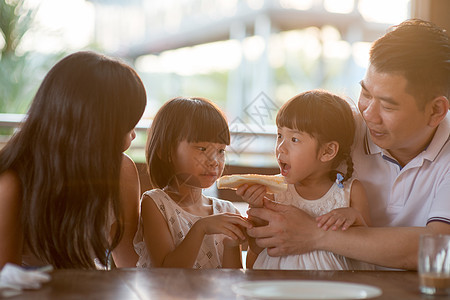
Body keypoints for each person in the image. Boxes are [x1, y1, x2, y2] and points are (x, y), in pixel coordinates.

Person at [244, 19, 450, 270]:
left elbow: (440, 247)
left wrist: (316, 235)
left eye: (387, 106)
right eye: (366, 94)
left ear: (436, 110)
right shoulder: (341, 128)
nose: (369, 114)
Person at [0, 51, 147, 269]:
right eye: (128, 124)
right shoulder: (13, 182)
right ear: (94, 126)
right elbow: (7, 280)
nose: (134, 135)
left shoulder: (122, 170)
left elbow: (130, 261)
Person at [238, 90, 373, 270]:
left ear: (327, 151)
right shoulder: (272, 192)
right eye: (279, 136)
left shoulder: (350, 192)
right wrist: (256, 208)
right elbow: (257, 249)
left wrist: (354, 219)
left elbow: (367, 254)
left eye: (294, 139)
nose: (280, 148)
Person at [133, 97, 251, 269]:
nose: (214, 161)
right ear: (166, 152)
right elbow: (166, 271)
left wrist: (232, 245)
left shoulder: (226, 210)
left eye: (220, 151)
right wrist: (201, 228)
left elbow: (232, 279)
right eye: (202, 149)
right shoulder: (155, 203)